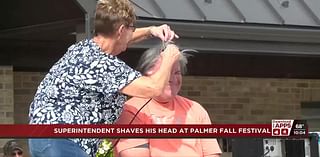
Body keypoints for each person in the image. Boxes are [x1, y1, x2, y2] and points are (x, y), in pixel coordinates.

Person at [28, 0, 180, 156]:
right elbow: (152, 88)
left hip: (45, 139)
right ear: (121, 30)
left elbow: (121, 39)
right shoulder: (103, 65)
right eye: (131, 28)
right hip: (62, 142)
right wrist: (169, 57)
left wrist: (151, 31)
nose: (132, 34)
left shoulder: (84, 49)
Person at [114, 42, 222, 157]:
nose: (172, 78)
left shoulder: (195, 109)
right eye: (166, 72)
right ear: (146, 74)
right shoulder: (132, 110)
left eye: (177, 72)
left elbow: (212, 154)